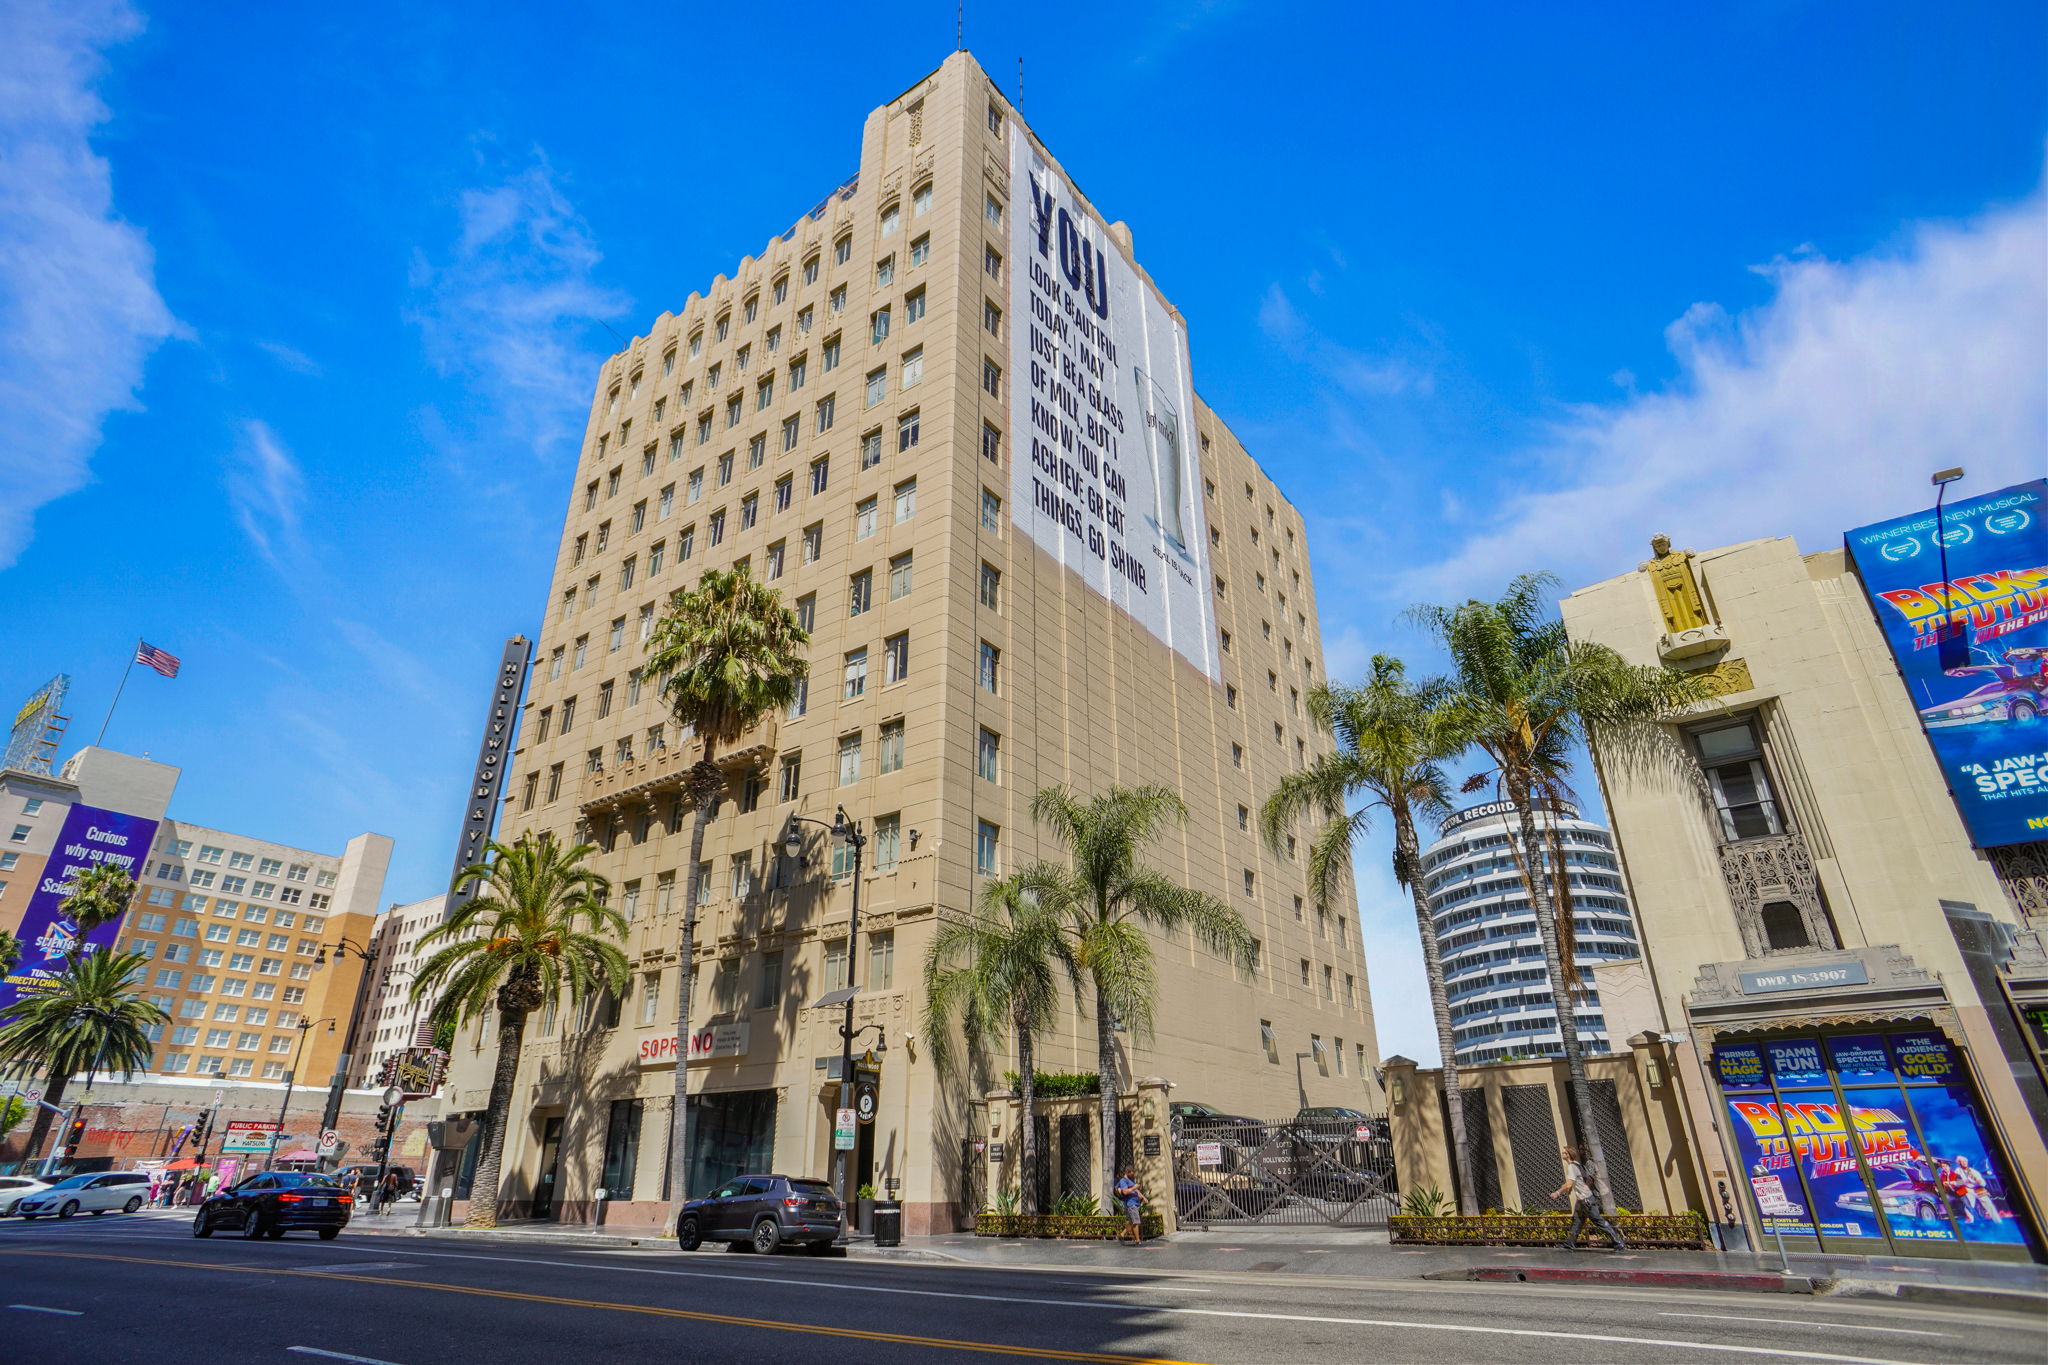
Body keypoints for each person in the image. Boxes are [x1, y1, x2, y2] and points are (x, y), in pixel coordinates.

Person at [1551, 1145, 1627, 1251]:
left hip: (1585, 1200)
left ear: (1568, 1155)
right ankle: (1570, 1243)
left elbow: (1569, 1184)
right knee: (1577, 1221)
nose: (1562, 1154)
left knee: (1597, 1220)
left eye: (1564, 1153)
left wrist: (1557, 1193)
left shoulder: (1572, 1167)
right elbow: (1588, 1181)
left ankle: (1618, 1242)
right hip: (1585, 1199)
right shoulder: (1578, 1165)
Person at [1114, 1168, 1145, 1244]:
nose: (1133, 1174)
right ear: (1127, 1172)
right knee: (1136, 1222)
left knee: (1132, 1222)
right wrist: (1135, 1187)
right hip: (1131, 1204)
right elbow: (1125, 1192)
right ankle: (1138, 1240)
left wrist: (1143, 1197)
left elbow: (1135, 1191)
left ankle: (1122, 1235)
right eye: (1132, 1172)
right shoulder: (1123, 1181)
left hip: (1134, 1203)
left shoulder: (1131, 1181)